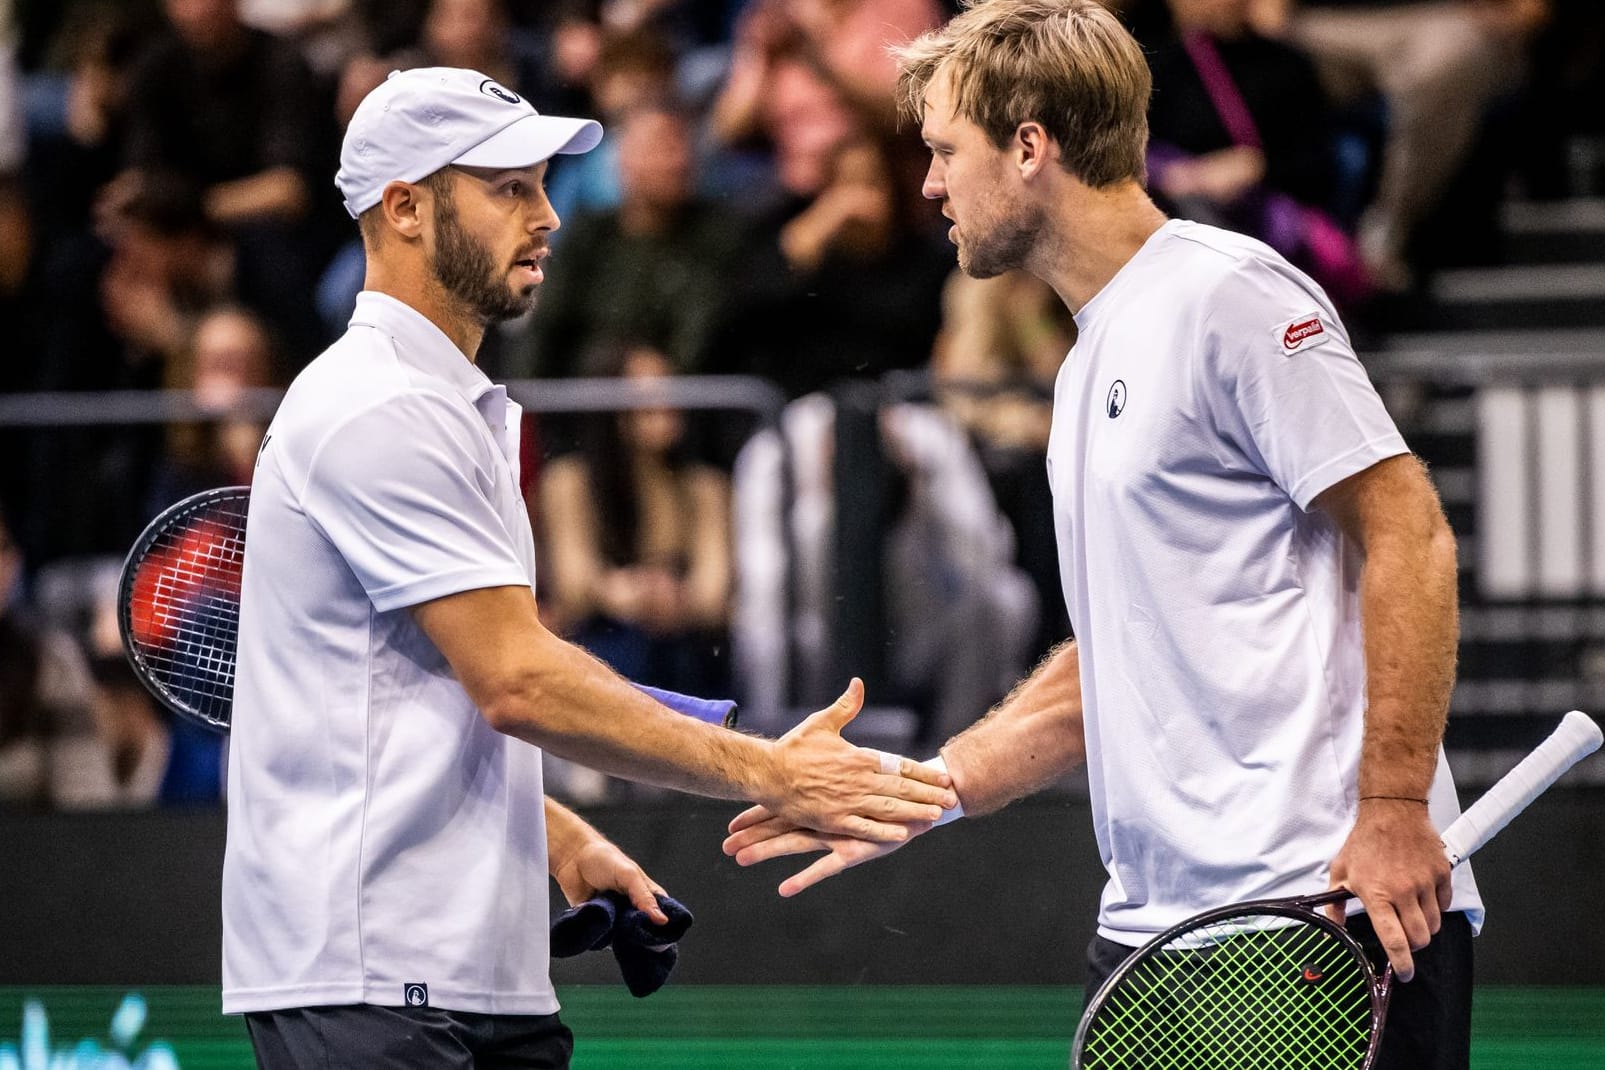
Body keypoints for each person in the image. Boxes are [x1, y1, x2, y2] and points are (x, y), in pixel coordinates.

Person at [721, 4, 1479, 1068]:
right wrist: (919, 791)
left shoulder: (1229, 294)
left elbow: (1410, 531)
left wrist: (1397, 806)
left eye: (945, 150)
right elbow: (1117, 658)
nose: (929, 184)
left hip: (1314, 912)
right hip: (1156, 933)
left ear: (1030, 145)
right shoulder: (1085, 362)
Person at [223, 66, 954, 1069]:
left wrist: (553, 831)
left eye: (542, 186)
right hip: (370, 974)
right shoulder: (374, 406)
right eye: (508, 188)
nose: (549, 217)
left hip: (477, 970)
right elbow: (516, 678)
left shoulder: (445, 404)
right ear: (404, 208)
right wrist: (767, 767)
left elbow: (428, 693)